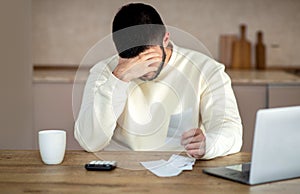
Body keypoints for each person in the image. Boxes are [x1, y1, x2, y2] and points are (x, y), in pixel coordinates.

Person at [74, 3, 242, 160]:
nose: (143, 68)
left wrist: (209, 144)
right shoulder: (104, 72)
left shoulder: (206, 69)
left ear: (165, 39)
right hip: (121, 170)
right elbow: (90, 142)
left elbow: (231, 130)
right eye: (132, 59)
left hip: (180, 172)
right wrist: (119, 78)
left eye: (149, 58)